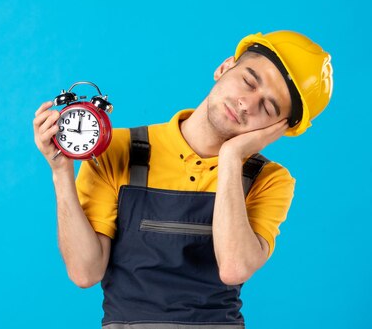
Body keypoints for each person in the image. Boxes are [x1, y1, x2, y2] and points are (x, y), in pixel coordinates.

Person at [32, 30, 333, 329]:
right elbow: (85, 272)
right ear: (225, 67)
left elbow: (234, 268)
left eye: (267, 108)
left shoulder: (269, 180)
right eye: (248, 81)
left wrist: (231, 158)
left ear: (278, 129)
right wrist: (61, 172)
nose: (246, 104)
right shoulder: (117, 151)